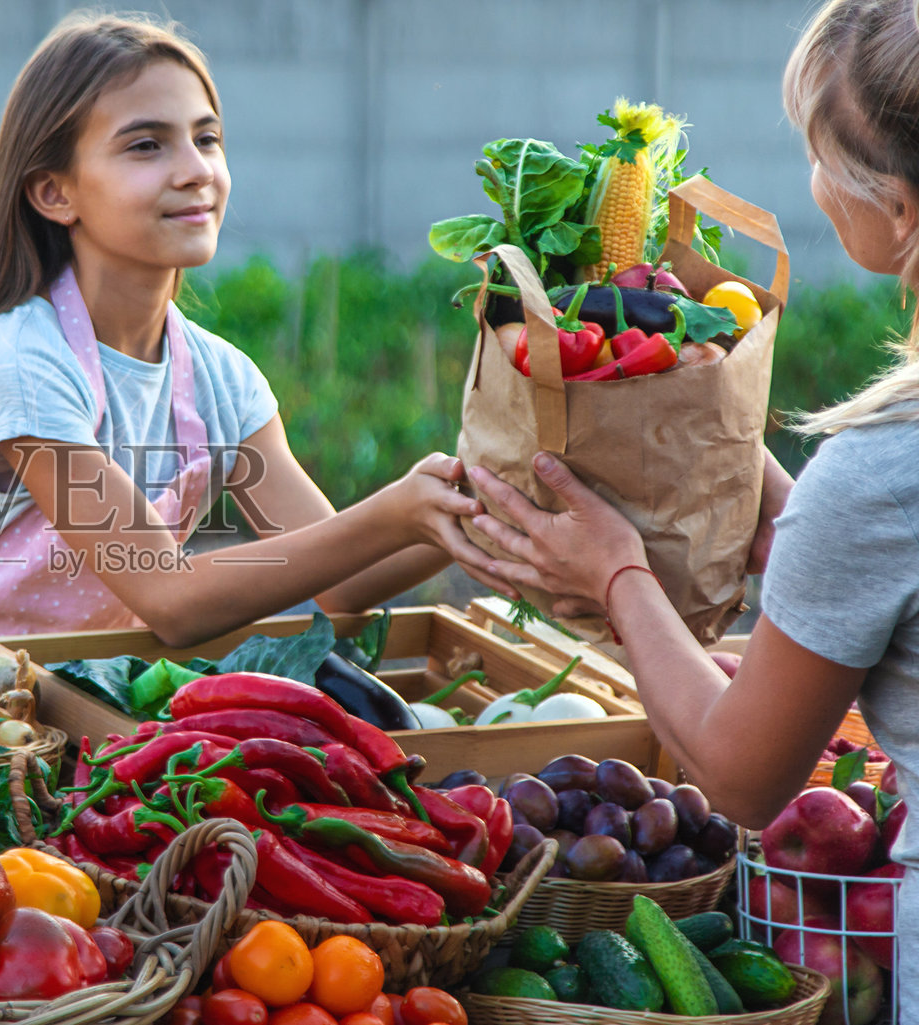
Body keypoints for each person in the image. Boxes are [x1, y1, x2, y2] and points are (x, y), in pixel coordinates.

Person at [466, 0, 919, 1011]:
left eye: (819, 155)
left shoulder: (880, 467)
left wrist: (616, 574)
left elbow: (740, 777)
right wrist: (787, 519)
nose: (810, 181)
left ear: (896, 208)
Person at [0, 10, 499, 667]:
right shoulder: (20, 364)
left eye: (207, 139)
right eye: (147, 145)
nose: (196, 169)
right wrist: (395, 512)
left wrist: (474, 504)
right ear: (55, 192)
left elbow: (342, 580)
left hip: (80, 701)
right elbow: (169, 597)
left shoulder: (219, 380)